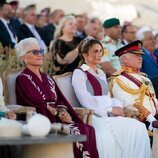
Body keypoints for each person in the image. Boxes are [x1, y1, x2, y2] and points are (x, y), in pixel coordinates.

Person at [15, 37, 99, 158]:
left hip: (58, 117)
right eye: (34, 52)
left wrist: (64, 111)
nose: (40, 54)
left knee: (88, 129)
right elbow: (35, 101)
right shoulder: (23, 78)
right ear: (23, 58)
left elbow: (60, 99)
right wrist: (56, 113)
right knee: (79, 130)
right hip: (41, 118)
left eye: (41, 51)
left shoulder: (47, 77)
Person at [72, 37, 151, 158]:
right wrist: (109, 109)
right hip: (92, 118)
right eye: (95, 51)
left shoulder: (100, 73)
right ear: (85, 54)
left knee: (139, 128)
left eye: (100, 51)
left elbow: (107, 97)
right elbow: (85, 100)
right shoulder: (79, 73)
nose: (99, 55)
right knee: (110, 137)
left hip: (106, 116)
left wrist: (117, 106)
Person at [110, 40, 158, 130]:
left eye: (141, 56)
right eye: (137, 56)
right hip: (139, 123)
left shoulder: (145, 78)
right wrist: (150, 118)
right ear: (125, 59)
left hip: (153, 120)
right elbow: (129, 103)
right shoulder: (119, 79)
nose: (141, 58)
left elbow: (153, 100)